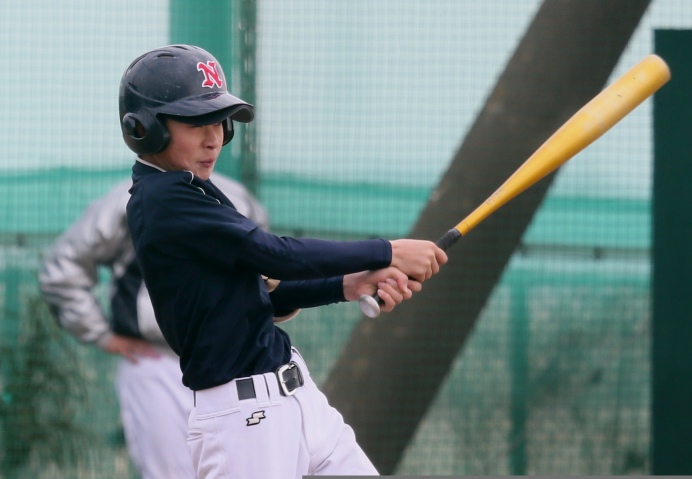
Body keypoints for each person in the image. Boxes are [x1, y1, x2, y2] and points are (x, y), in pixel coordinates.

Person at [119, 44, 448, 479]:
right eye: (196, 122)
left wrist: (348, 284)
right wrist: (387, 250)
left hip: (296, 401)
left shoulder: (190, 190)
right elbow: (274, 254)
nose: (214, 137)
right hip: (246, 424)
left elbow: (259, 295)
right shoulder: (163, 198)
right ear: (144, 129)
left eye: (219, 122)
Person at [38, 173, 268, 479]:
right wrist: (101, 335)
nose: (209, 146)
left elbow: (266, 275)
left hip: (232, 364)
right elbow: (62, 267)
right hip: (156, 363)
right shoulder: (127, 200)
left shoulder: (235, 197)